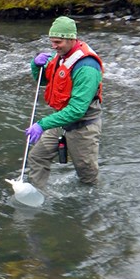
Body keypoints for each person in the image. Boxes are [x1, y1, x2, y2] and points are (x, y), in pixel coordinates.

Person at [25, 16, 104, 191]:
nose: (53, 46)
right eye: (52, 42)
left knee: (87, 176)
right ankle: (37, 194)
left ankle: (91, 202)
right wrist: (35, 66)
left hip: (83, 127)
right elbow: (43, 81)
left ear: (71, 39)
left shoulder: (87, 68)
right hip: (62, 122)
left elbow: (77, 110)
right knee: (37, 157)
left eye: (57, 42)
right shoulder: (60, 56)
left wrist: (42, 124)